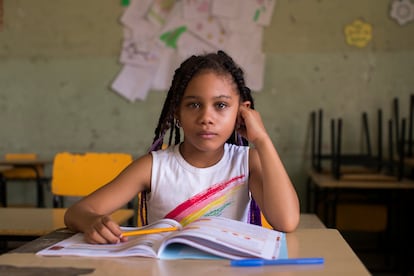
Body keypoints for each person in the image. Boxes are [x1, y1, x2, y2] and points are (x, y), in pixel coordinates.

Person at [64, 50, 300, 244]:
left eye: (220, 105)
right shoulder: (153, 166)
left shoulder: (247, 162)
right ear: (177, 112)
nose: (206, 117)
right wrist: (92, 222)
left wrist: (262, 140)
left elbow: (286, 221)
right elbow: (76, 212)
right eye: (194, 105)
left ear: (242, 111)